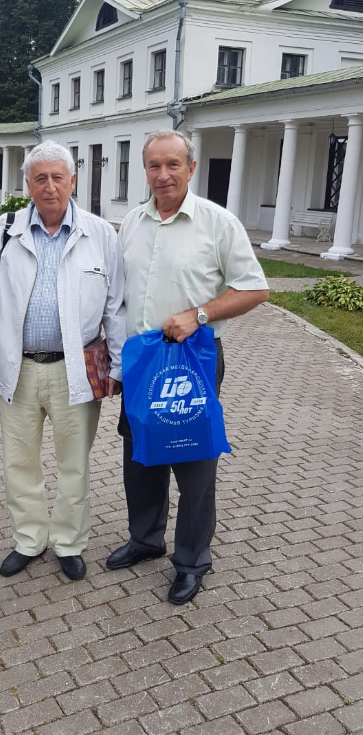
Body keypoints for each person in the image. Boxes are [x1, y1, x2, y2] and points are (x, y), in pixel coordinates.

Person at [107, 129, 269, 605]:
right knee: (140, 456)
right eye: (154, 165)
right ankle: (145, 539)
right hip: (142, 361)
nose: (163, 175)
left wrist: (199, 314)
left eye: (172, 164)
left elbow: (255, 288)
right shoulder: (132, 222)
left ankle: (192, 561)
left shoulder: (218, 223)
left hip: (193, 361)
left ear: (191, 168)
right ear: (145, 170)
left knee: (194, 461)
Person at [0, 140, 126, 581]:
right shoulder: (5, 230)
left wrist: (118, 367)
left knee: (74, 463)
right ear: (27, 184)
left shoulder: (100, 233)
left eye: (58, 177)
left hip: (75, 369)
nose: (49, 186)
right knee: (18, 461)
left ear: (72, 181)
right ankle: (29, 538)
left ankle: (68, 541)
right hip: (18, 368)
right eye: (39, 178)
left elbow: (115, 307)